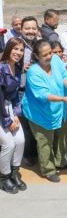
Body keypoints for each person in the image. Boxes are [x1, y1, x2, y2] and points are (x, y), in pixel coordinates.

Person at [21, 39, 67, 182]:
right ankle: (48, 169)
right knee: (45, 141)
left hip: (58, 109)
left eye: (50, 52)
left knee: (62, 137)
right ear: (37, 56)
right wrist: (63, 99)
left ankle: (60, 162)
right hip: (39, 112)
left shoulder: (56, 60)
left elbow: (64, 76)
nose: (49, 56)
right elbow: (43, 95)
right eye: (45, 55)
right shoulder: (33, 72)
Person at [0, 38, 26, 193]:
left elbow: (15, 94)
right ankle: (4, 177)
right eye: (15, 49)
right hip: (1, 110)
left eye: (21, 50)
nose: (18, 53)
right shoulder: (1, 69)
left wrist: (16, 114)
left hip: (10, 108)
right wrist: (8, 120)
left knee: (20, 140)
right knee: (8, 144)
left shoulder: (17, 67)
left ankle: (14, 173)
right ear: (9, 49)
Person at [19, 16, 40, 166]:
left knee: (36, 123)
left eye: (33, 28)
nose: (30, 31)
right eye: (27, 28)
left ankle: (36, 152)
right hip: (21, 92)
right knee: (25, 125)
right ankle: (28, 154)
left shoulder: (39, 45)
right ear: (21, 30)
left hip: (37, 92)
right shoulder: (17, 45)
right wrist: (22, 68)